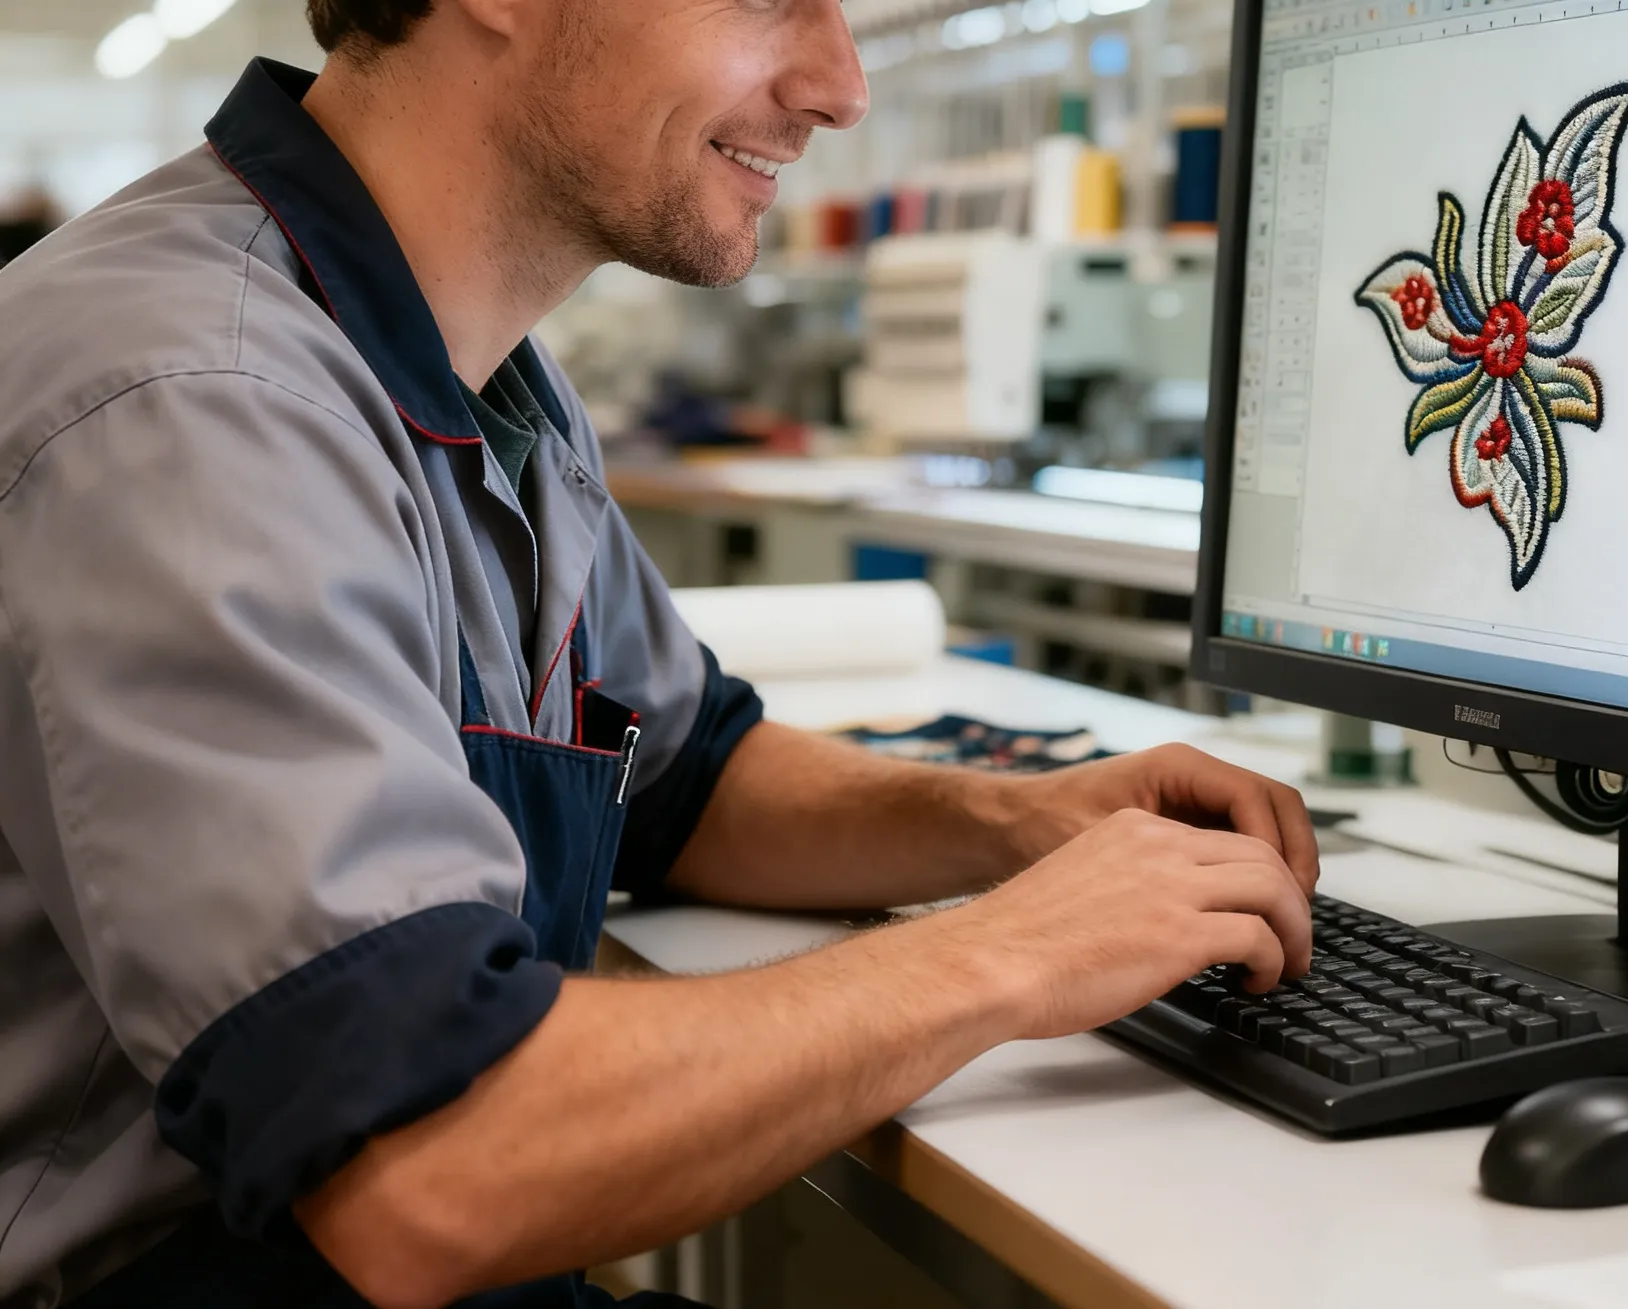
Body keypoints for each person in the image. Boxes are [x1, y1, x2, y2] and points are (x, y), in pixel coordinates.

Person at [0, 0, 1318, 1303]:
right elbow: (426, 1160)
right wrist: (1012, 954)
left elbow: (686, 780)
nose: (841, 85)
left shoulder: (487, 380)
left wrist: (1024, 825)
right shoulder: (194, 402)